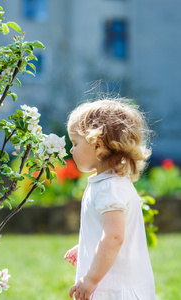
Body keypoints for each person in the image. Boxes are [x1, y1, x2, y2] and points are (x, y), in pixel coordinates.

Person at [64, 99, 155, 300]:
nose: (71, 150)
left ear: (97, 144)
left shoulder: (109, 187)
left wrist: (90, 280)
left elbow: (114, 237)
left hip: (116, 290)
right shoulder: (108, 183)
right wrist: (87, 245)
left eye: (75, 143)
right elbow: (108, 231)